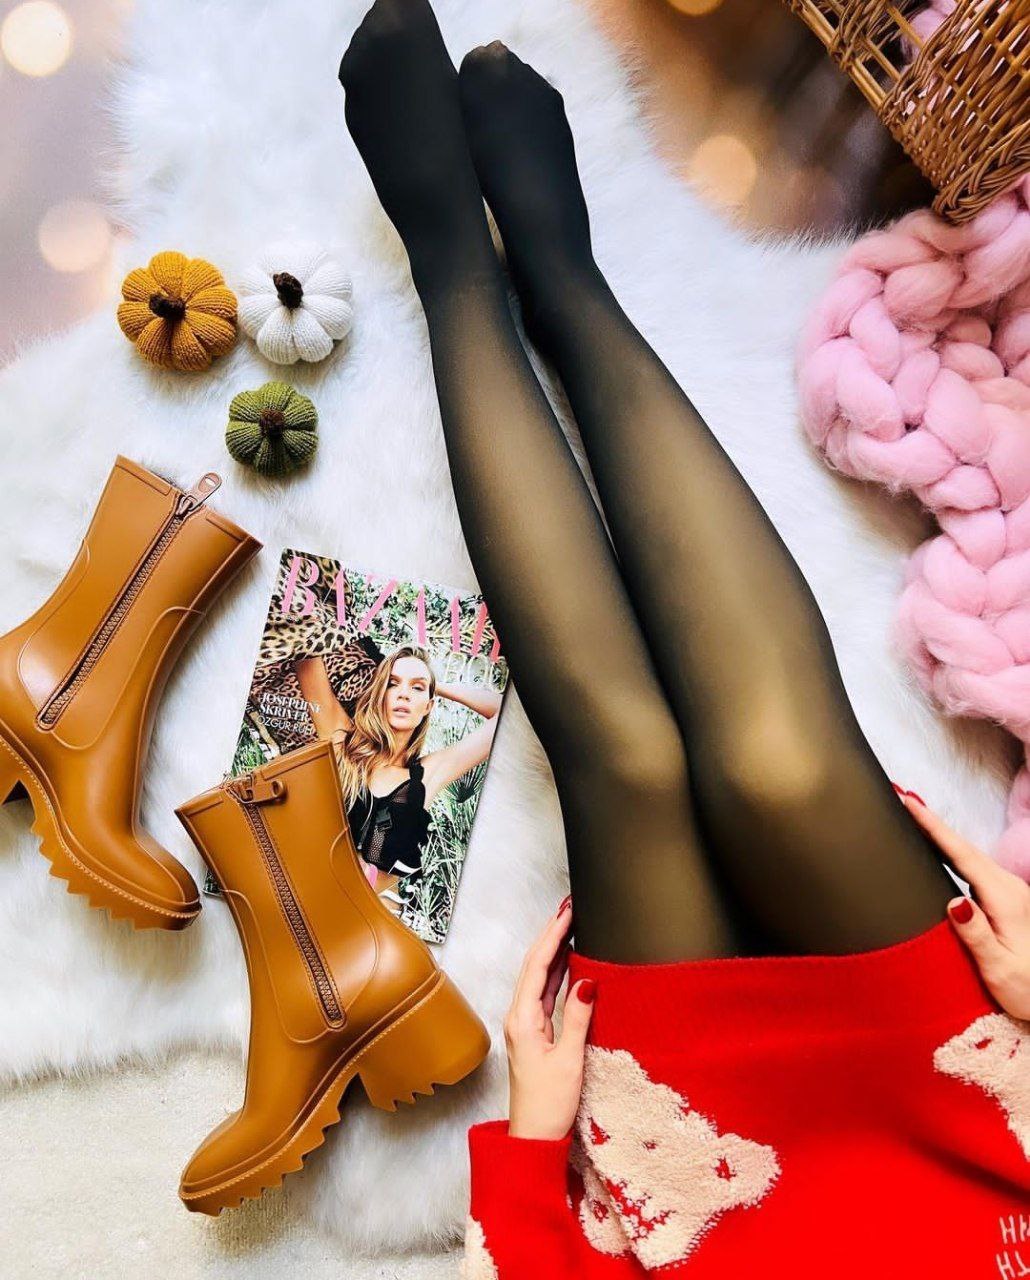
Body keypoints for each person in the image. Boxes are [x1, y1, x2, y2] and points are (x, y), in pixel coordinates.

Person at [337, 2, 1030, 1273]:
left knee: (630, 765)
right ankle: (564, 280)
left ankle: (453, 262)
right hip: (958, 1133)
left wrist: (531, 1153)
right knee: (781, 766)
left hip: (702, 1205)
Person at [296, 645, 501, 906]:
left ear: (429, 706)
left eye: (417, 687)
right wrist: (415, 686)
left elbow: (504, 713)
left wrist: (435, 686)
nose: (404, 694)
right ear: (379, 694)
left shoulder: (426, 776)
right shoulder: (342, 744)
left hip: (376, 921)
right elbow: (307, 654)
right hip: (312, 904)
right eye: (392, 684)